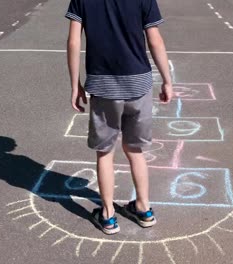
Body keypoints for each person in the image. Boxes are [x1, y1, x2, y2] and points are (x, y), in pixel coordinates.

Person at [65, 0, 172, 234]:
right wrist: (166, 79)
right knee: (135, 150)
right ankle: (144, 209)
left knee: (105, 152)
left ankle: (108, 215)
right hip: (139, 82)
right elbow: (155, 40)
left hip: (103, 85)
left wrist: (75, 84)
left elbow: (74, 41)